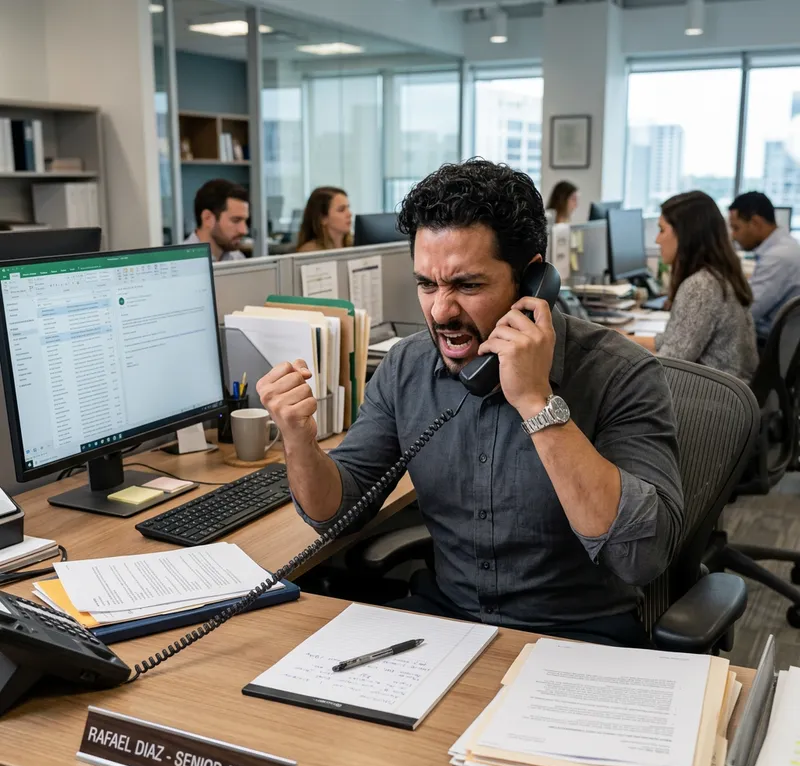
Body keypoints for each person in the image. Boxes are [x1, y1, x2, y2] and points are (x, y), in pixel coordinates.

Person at [257, 159, 683, 648]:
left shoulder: (620, 372)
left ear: (531, 282)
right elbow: (336, 512)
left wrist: (534, 401)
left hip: (578, 636)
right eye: (427, 284)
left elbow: (641, 556)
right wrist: (299, 442)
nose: (440, 311)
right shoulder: (407, 368)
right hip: (445, 625)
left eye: (467, 285)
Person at [654, 191, 758, 381]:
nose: (657, 240)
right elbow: (678, 340)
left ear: (685, 234)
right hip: (728, 396)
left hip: (710, 403)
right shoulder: (718, 276)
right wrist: (622, 341)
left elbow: (669, 365)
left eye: (661, 230)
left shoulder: (701, 286)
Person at [729, 191, 800, 344]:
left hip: (767, 344)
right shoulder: (786, 247)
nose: (734, 236)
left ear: (755, 223)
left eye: (736, 228)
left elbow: (747, 313)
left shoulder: (778, 257)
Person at [184, 179, 249, 262]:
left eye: (245, 221)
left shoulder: (237, 258)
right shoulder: (178, 263)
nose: (244, 230)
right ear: (207, 218)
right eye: (235, 220)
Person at [296, 186, 353, 252]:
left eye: (348, 208)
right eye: (341, 210)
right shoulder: (310, 252)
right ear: (322, 218)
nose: (349, 214)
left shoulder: (355, 245)